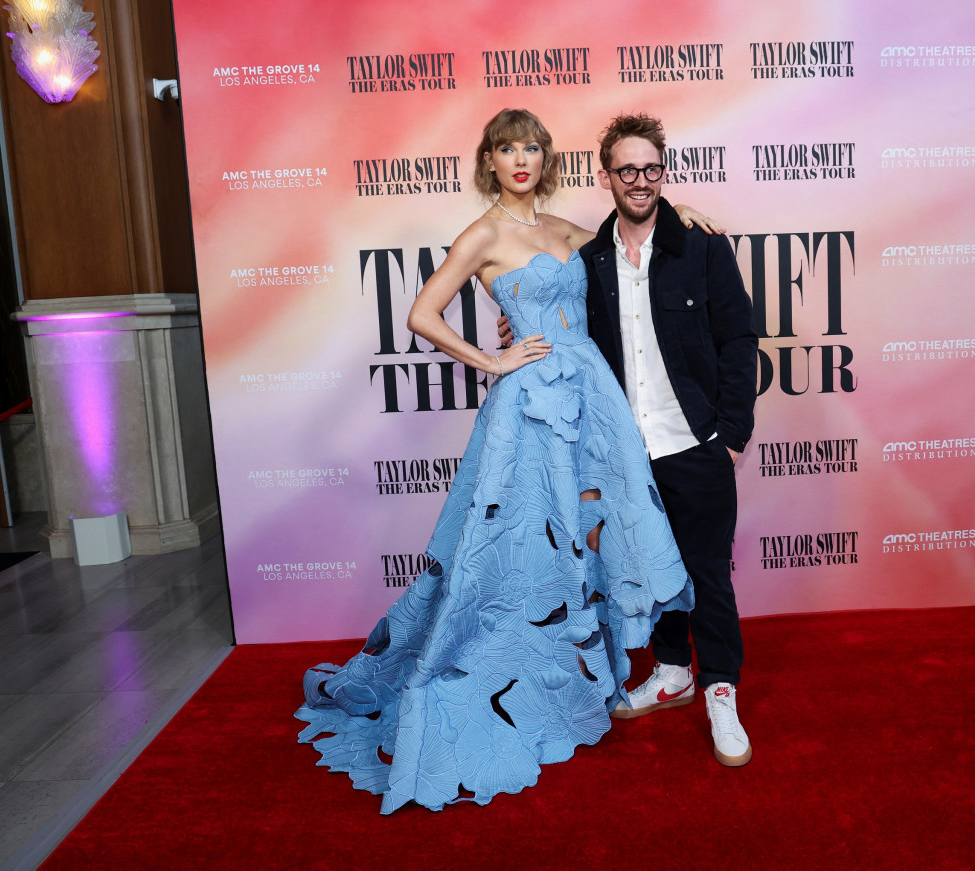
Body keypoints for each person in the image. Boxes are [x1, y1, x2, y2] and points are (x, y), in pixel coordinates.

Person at [296, 108, 717, 813]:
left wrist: (683, 212)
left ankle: (583, 675)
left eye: (530, 147)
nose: (518, 159)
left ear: (545, 158)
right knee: (522, 541)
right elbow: (422, 314)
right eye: (504, 148)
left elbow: (628, 236)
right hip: (528, 414)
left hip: (590, 403)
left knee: (588, 533)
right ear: (488, 160)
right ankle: (513, 677)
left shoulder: (565, 232)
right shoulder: (484, 233)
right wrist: (493, 359)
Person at [580, 114, 758, 767]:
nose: (641, 181)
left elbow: (738, 342)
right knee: (658, 574)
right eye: (627, 169)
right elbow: (570, 340)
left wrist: (731, 435)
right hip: (630, 452)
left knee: (708, 576)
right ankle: (672, 670)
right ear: (606, 176)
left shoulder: (702, 249)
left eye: (652, 168)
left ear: (664, 171)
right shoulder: (591, 261)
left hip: (698, 444)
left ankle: (719, 690)